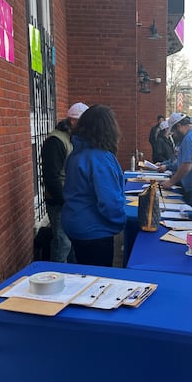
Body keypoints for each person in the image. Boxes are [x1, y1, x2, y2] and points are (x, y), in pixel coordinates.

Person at [62, 105, 126, 267]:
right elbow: (109, 201)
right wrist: (121, 221)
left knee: (84, 273)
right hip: (94, 231)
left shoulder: (76, 155)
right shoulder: (101, 158)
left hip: (75, 224)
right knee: (99, 281)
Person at [41, 102, 88, 262]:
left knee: (70, 243)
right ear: (73, 121)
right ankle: (57, 276)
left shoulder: (70, 138)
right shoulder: (55, 141)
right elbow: (51, 177)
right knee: (62, 243)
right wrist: (65, 200)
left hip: (69, 200)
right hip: (59, 201)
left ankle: (71, 276)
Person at [160, 113, 192, 197]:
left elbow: (186, 165)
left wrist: (170, 182)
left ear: (179, 126)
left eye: (174, 131)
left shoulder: (188, 139)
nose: (174, 135)